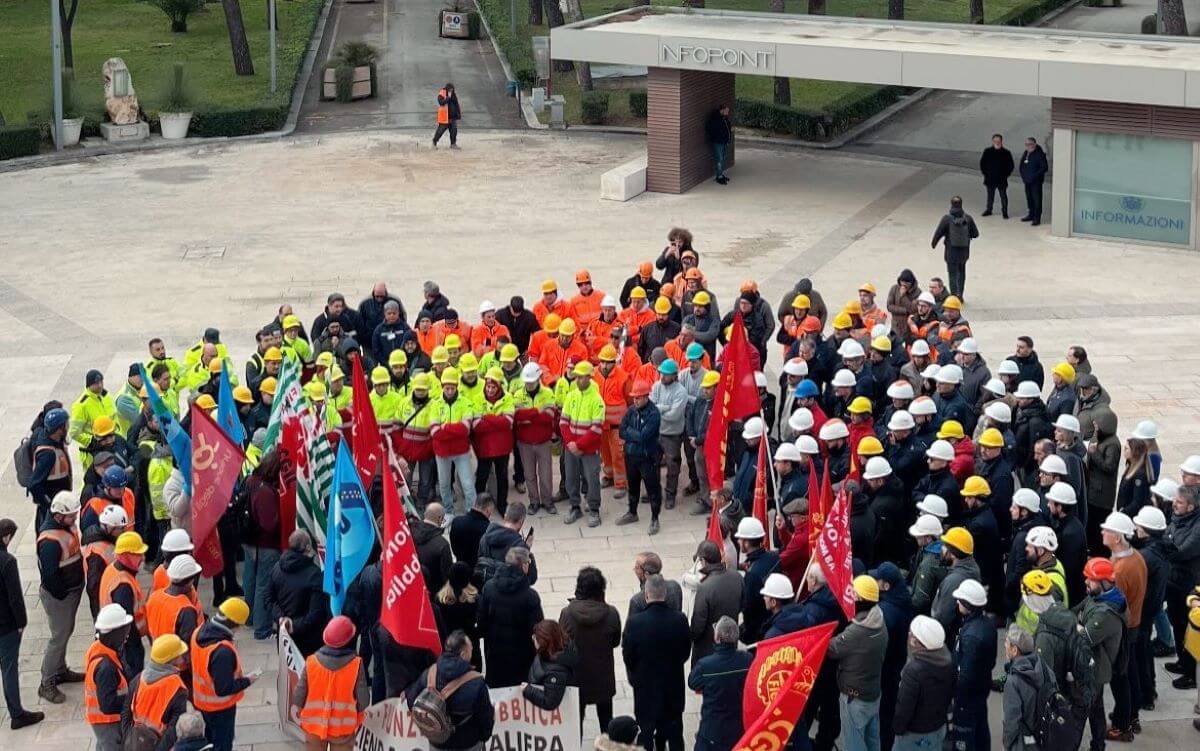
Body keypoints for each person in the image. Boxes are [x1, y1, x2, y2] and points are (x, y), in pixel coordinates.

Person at [623, 575, 691, 751]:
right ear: (665, 594)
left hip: (646, 691)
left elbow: (628, 656)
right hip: (673, 689)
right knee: (675, 735)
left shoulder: (634, 623)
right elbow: (685, 652)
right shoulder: (680, 620)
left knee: (646, 735)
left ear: (646, 595)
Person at [406, 631, 494, 751]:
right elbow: (485, 719)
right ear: (463, 654)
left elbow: (411, 701)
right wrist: (483, 737)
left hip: (437, 744)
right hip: (468, 744)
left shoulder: (430, 673)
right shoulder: (476, 682)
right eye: (471, 650)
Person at [828, 576, 888, 751]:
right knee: (872, 742)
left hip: (855, 699)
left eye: (853, 594)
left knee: (854, 745)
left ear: (861, 599)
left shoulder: (857, 631)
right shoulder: (879, 620)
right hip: (873, 693)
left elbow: (832, 649)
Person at [559, 566, 622, 733]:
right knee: (607, 723)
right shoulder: (611, 613)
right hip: (603, 678)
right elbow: (615, 642)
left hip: (576, 679)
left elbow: (561, 645)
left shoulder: (567, 614)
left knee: (575, 726)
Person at [37, 491, 86, 703]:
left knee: (65, 633)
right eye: (71, 515)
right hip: (60, 597)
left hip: (69, 591)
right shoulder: (50, 541)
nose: (74, 518)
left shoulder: (64, 526)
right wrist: (64, 594)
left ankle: (60, 670)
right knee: (58, 638)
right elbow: (50, 576)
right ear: (58, 516)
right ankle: (46, 682)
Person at [294, 616, 370, 750]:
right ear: (350, 639)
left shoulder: (311, 662)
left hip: (313, 728)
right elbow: (364, 701)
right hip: (343, 729)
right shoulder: (356, 665)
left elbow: (298, 696)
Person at [192, 598, 258, 751]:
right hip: (220, 708)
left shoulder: (199, 632)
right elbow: (223, 688)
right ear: (234, 624)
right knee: (223, 745)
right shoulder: (222, 651)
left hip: (202, 703)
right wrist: (247, 681)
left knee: (210, 741)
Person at [1079, 558, 1127, 751]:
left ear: (1103, 582)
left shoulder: (1105, 614)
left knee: (1086, 709)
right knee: (1095, 708)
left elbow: (1086, 636)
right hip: (1095, 663)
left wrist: (1077, 625)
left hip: (1096, 667)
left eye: (1090, 579)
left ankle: (1095, 744)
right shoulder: (1100, 597)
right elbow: (1079, 609)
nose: (1086, 582)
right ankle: (1098, 745)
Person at [477, 547, 543, 688]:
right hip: (522, 655)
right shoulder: (530, 596)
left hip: (495, 652)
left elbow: (482, 621)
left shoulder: (489, 587)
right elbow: (538, 628)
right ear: (524, 565)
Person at [0, 517, 43, 730]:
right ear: (6, 537)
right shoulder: (7, 561)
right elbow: (15, 597)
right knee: (8, 669)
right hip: (5, 626)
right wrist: (21, 622)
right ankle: (16, 714)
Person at [688, 616, 751, 751]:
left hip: (712, 732)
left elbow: (692, 682)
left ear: (717, 638)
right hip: (738, 729)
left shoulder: (705, 665)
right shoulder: (747, 659)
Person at [893, 615, 955, 751]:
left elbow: (905, 707)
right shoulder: (948, 660)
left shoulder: (913, 671)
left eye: (912, 634)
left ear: (919, 642)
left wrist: (898, 728)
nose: (909, 635)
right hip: (937, 727)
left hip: (914, 735)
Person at [267, 530, 332, 656]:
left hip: (284, 638)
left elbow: (269, 599)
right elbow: (316, 613)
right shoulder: (314, 575)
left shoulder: (276, 567)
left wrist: (281, 619)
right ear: (307, 547)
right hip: (308, 641)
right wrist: (292, 625)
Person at [951, 579, 996, 751]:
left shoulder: (971, 636)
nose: (957, 602)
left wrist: (956, 694)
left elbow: (965, 675)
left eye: (960, 600)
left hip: (967, 698)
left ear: (968, 604)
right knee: (981, 732)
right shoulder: (987, 624)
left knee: (965, 737)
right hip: (981, 690)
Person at [126, 634, 191, 751]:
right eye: (180, 655)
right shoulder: (177, 689)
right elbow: (173, 730)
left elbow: (125, 713)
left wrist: (127, 739)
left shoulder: (138, 679)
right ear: (172, 660)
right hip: (159, 744)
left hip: (137, 741)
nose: (183, 657)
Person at [244, 452, 283, 640]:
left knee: (250, 580)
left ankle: (250, 617)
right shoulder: (266, 491)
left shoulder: (251, 480)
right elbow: (269, 523)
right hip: (266, 544)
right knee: (263, 585)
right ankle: (262, 628)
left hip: (250, 540)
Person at [561, 361, 605, 527]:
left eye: (581, 377)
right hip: (571, 447)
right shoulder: (571, 396)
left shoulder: (597, 400)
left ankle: (594, 509)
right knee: (571, 478)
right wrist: (571, 443)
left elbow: (596, 429)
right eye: (576, 377)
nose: (577, 380)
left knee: (592, 479)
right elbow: (563, 422)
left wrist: (578, 445)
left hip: (588, 449)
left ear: (589, 377)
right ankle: (574, 506)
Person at [688, 541, 743, 664]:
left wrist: (690, 637)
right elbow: (742, 605)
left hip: (707, 649)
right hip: (730, 643)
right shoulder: (737, 577)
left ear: (703, 561)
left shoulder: (705, 587)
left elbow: (698, 625)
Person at [619, 379, 663, 534]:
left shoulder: (654, 414)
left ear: (646, 397)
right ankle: (632, 512)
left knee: (652, 488)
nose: (635, 400)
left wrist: (631, 433)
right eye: (634, 397)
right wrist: (633, 434)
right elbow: (621, 430)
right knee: (633, 486)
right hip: (631, 455)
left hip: (647, 457)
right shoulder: (631, 411)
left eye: (638, 397)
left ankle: (655, 518)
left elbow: (644, 436)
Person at [86, 604, 133, 749]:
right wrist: (133, 699)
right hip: (109, 723)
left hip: (105, 724)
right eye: (125, 629)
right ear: (114, 632)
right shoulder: (106, 668)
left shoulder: (100, 647)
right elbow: (108, 705)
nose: (128, 633)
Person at [1001, 624, 1053, 751]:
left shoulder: (1013, 681)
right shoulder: (1046, 670)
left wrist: (1007, 744)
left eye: (1007, 643)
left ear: (1015, 650)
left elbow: (1012, 722)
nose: (1004, 646)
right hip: (1045, 737)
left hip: (1023, 743)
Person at [27, 407, 72, 531]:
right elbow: (34, 484)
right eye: (66, 424)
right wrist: (51, 505)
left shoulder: (56, 441)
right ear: (59, 429)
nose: (68, 427)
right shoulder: (48, 454)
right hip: (52, 512)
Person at [735, 517, 780, 643]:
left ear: (747, 543)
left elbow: (748, 608)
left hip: (759, 631)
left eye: (740, 539)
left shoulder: (752, 574)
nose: (738, 542)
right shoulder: (774, 557)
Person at [476, 501, 538, 585]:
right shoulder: (520, 546)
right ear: (521, 522)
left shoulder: (485, 537)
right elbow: (531, 578)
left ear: (505, 517)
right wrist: (527, 550)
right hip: (509, 592)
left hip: (487, 587)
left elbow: (480, 562)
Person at [930, 196, 979, 300]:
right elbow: (976, 234)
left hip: (951, 252)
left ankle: (953, 297)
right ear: (961, 204)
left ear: (951, 204)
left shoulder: (947, 219)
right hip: (964, 252)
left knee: (952, 274)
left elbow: (938, 233)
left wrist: (934, 243)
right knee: (962, 273)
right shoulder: (968, 218)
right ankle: (960, 295)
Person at [522, 620, 574, 710]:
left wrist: (528, 690)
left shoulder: (557, 671)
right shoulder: (547, 652)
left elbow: (550, 702)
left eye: (536, 637)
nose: (532, 638)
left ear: (544, 642)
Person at [628, 552, 684, 619]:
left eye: (637, 567)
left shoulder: (637, 601)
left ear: (646, 574)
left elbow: (631, 627)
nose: (634, 570)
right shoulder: (675, 586)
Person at [450, 493, 494, 570]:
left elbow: (454, 546)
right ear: (488, 509)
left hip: (460, 566)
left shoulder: (457, 521)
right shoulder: (489, 529)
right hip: (478, 570)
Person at [979, 134, 1015, 218]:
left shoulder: (1006, 153)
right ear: (992, 141)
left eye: (998, 141)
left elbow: (1011, 166)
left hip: (1001, 179)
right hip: (990, 179)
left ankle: (1005, 212)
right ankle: (989, 210)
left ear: (1001, 141)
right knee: (990, 196)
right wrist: (986, 173)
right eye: (995, 141)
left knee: (1003, 196)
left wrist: (1006, 175)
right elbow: (982, 164)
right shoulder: (987, 151)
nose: (997, 143)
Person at [1019, 137, 1048, 225]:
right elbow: (1021, 166)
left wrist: (1034, 176)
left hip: (1036, 182)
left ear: (1034, 144)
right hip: (1027, 181)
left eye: (1030, 144)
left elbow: (1044, 168)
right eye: (1026, 145)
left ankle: (1037, 218)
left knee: (1037, 200)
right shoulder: (1026, 153)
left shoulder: (1040, 154)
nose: (1028, 146)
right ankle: (1030, 215)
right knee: (1029, 198)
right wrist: (1024, 176)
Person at [706, 104, 732, 184]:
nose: (728, 113)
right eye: (727, 111)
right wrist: (716, 138)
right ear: (722, 110)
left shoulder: (724, 118)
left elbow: (727, 128)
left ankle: (721, 174)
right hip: (718, 142)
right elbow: (711, 129)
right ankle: (719, 176)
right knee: (719, 159)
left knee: (723, 158)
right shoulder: (715, 118)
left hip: (724, 142)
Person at [433, 83, 461, 149]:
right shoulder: (442, 93)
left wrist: (458, 113)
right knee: (440, 132)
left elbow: (456, 104)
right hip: (445, 118)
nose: (451, 91)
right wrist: (448, 98)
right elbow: (441, 103)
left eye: (452, 90)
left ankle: (453, 144)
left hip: (453, 117)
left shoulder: (453, 94)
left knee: (454, 131)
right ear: (447, 88)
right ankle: (434, 143)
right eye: (450, 90)